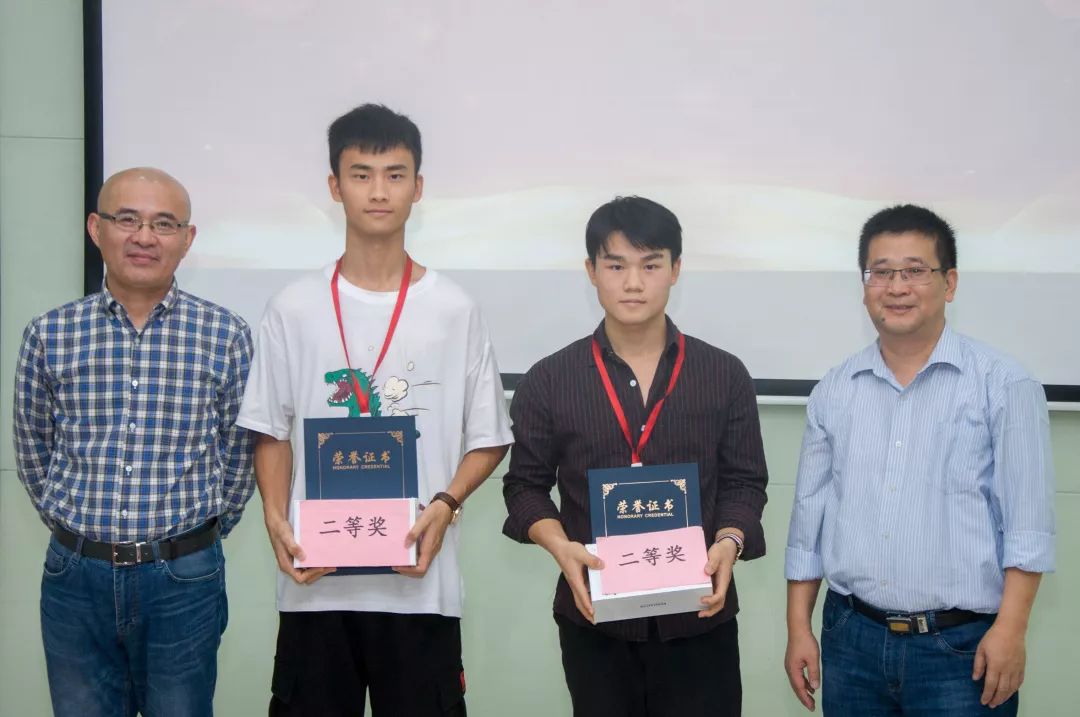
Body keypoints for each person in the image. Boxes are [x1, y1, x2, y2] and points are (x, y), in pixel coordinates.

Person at [237, 103, 512, 716]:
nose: (379, 191)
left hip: (420, 585)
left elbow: (489, 435)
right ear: (335, 186)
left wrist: (446, 505)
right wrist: (275, 518)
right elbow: (271, 429)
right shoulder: (293, 306)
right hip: (315, 586)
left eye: (395, 174)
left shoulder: (455, 308)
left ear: (419, 187)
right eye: (361, 174)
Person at [784, 204, 1056, 716]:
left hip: (961, 648)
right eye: (881, 272)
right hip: (850, 638)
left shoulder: (1005, 385)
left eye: (914, 271)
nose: (896, 287)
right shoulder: (835, 389)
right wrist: (799, 627)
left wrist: (1012, 629)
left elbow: (1028, 527)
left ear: (949, 283)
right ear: (864, 285)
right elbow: (808, 524)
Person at [502, 196, 769, 717]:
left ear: (675, 270)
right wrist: (560, 546)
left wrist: (729, 542)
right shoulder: (549, 379)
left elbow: (744, 482)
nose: (633, 283)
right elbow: (524, 487)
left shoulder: (724, 374)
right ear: (591, 271)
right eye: (616, 265)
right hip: (596, 622)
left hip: (700, 619)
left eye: (650, 266)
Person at [13, 167, 256, 716]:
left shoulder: (226, 335)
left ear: (187, 239)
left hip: (183, 579)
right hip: (75, 578)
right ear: (95, 228)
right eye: (127, 219)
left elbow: (240, 455)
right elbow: (33, 451)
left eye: (164, 224)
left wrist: (199, 536)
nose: (145, 237)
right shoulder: (50, 334)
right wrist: (77, 532)